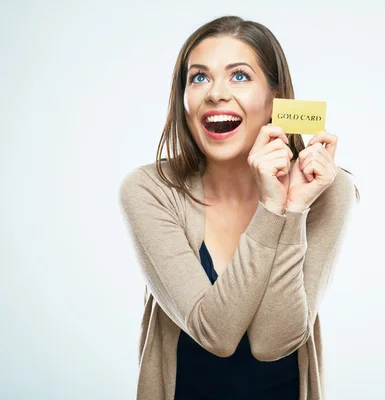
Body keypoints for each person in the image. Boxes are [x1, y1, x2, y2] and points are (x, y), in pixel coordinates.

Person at [119, 15, 358, 400]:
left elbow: (272, 343)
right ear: (184, 100)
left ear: (274, 101)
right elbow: (216, 334)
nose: (215, 93)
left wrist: (293, 208)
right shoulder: (150, 190)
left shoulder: (326, 189)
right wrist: (270, 209)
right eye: (199, 77)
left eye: (240, 76)